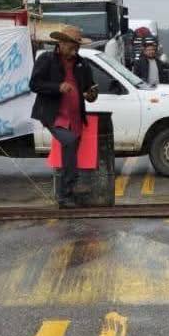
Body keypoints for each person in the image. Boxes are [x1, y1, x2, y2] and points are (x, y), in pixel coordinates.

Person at [29, 25, 99, 208]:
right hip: (52, 115)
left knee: (70, 151)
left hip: (75, 117)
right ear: (60, 43)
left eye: (77, 46)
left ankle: (66, 193)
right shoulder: (47, 59)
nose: (75, 50)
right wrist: (57, 87)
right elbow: (34, 84)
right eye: (71, 46)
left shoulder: (82, 64)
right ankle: (66, 192)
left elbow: (90, 89)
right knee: (69, 141)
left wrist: (91, 95)